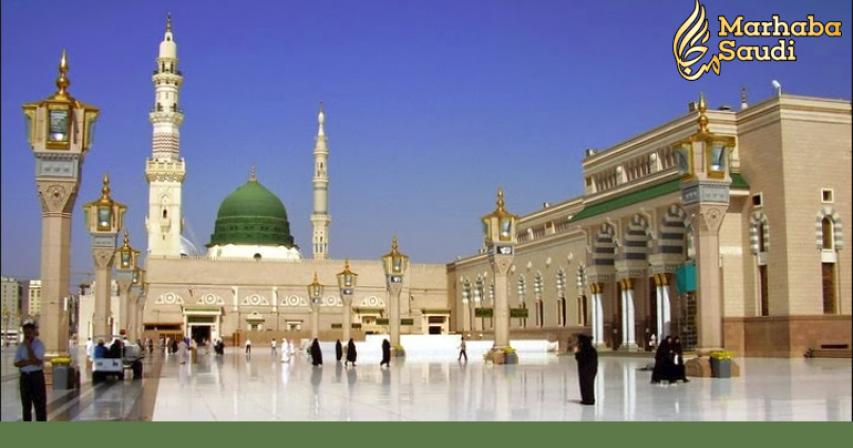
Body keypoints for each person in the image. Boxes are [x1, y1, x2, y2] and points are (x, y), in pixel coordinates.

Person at [14, 321, 47, 421]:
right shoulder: (20, 346)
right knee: (26, 406)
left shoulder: (39, 345)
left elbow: (37, 362)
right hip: (25, 377)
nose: (27, 335)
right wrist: (30, 361)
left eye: (29, 332)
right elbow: (16, 363)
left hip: (36, 377)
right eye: (25, 333)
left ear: (33, 332)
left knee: (39, 405)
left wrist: (28, 347)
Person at [573, 334, 598, 405]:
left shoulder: (585, 350)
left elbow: (580, 358)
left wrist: (576, 353)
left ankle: (588, 400)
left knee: (586, 385)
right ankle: (588, 399)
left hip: (586, 371)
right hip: (590, 371)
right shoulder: (592, 350)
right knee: (589, 385)